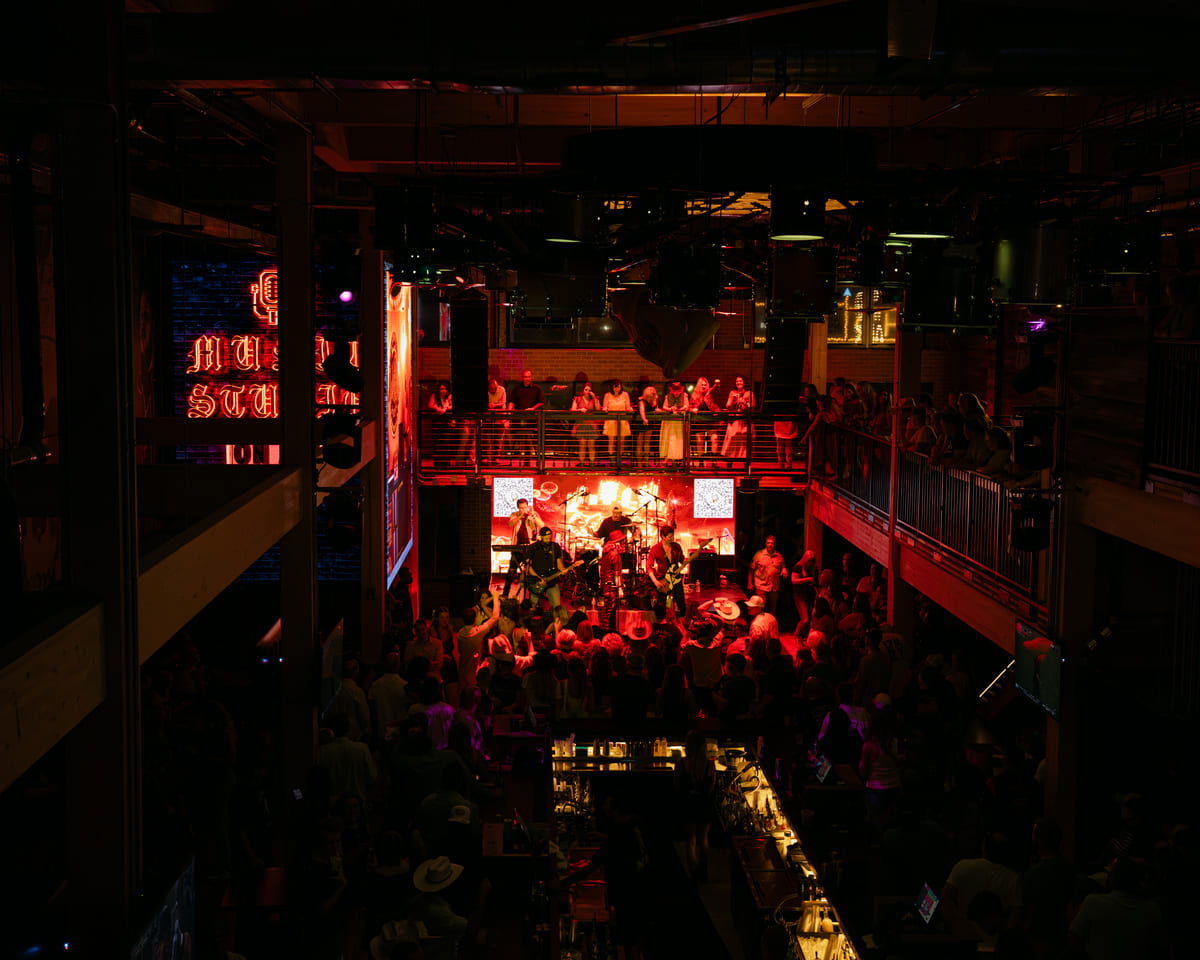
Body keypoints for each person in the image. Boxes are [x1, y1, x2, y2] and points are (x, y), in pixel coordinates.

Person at [674, 729, 716, 881]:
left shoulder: (681, 764)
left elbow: (677, 787)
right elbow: (711, 789)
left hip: (687, 805)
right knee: (703, 839)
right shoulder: (709, 765)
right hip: (704, 805)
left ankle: (692, 873)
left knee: (690, 839)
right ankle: (704, 871)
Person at [456, 589, 500, 694]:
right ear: (475, 619)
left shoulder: (460, 633)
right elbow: (495, 617)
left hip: (461, 671)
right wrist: (495, 597)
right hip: (472, 674)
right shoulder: (477, 632)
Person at [591, 504, 633, 601]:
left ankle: (606, 590)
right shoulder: (606, 522)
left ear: (621, 514)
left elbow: (634, 531)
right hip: (611, 550)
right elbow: (599, 534)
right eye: (614, 513)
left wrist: (635, 535)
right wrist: (593, 533)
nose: (616, 515)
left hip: (618, 550)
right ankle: (617, 590)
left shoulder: (626, 521)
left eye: (618, 514)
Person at [523, 527, 570, 609]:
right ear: (541, 537)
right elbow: (528, 566)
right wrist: (537, 578)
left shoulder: (555, 547)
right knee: (531, 607)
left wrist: (562, 569)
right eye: (546, 538)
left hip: (551, 580)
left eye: (549, 537)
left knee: (556, 606)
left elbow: (558, 561)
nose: (548, 540)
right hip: (536, 581)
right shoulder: (533, 548)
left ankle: (555, 620)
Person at [503, 498, 541, 596]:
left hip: (529, 547)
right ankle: (505, 593)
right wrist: (519, 516)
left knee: (532, 570)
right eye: (521, 508)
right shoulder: (514, 515)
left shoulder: (533, 514)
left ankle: (534, 593)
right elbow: (510, 523)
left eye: (525, 507)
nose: (523, 509)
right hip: (517, 546)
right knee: (511, 571)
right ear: (518, 508)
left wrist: (533, 517)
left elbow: (542, 525)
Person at [647, 524, 687, 613]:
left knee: (681, 604)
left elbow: (682, 560)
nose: (672, 538)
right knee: (661, 605)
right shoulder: (655, 549)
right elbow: (649, 566)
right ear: (662, 537)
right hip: (662, 579)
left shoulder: (676, 546)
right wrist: (655, 581)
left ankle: (681, 622)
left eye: (672, 536)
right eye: (669, 537)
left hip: (676, 578)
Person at [508, 368, 543, 467]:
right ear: (522, 378)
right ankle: (521, 461)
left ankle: (530, 461)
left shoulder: (536, 388)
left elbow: (541, 402)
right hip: (519, 419)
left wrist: (533, 408)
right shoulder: (517, 388)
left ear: (531, 377)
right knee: (520, 439)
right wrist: (508, 412)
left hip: (532, 419)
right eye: (525, 377)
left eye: (529, 377)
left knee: (529, 439)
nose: (527, 379)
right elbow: (511, 401)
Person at [749, 535, 786, 614]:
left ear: (774, 544)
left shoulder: (778, 555)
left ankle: (769, 624)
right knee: (760, 609)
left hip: (773, 587)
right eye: (768, 543)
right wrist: (749, 583)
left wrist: (784, 569)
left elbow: (783, 565)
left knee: (771, 610)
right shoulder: (759, 554)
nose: (770, 545)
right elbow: (751, 569)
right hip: (761, 586)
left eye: (772, 543)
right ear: (765, 544)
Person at [721, 375, 754, 463]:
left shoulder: (749, 393)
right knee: (731, 441)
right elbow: (727, 406)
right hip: (734, 421)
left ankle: (745, 464)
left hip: (744, 422)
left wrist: (746, 403)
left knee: (744, 443)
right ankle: (729, 462)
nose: (738, 383)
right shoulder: (732, 393)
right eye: (737, 381)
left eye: (740, 381)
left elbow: (752, 407)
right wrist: (733, 400)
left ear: (744, 382)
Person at [690, 376, 722, 465]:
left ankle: (714, 462)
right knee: (700, 442)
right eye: (702, 385)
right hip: (699, 421)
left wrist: (716, 385)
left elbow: (716, 392)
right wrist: (692, 410)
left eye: (705, 385)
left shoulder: (710, 393)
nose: (703, 386)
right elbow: (690, 407)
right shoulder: (694, 395)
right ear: (698, 385)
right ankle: (701, 462)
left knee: (714, 439)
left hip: (710, 420)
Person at [602, 379, 633, 467]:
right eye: (615, 387)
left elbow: (627, 406)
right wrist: (605, 409)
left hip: (622, 421)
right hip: (611, 421)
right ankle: (612, 461)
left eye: (618, 387)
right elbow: (604, 407)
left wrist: (629, 409)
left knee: (621, 442)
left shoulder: (625, 395)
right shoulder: (607, 395)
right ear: (612, 387)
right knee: (611, 441)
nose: (616, 389)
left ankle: (619, 460)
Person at [659, 379, 688, 467]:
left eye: (678, 390)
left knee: (678, 440)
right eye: (674, 390)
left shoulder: (684, 396)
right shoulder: (668, 397)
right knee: (670, 440)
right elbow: (664, 406)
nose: (676, 392)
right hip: (670, 422)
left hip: (679, 423)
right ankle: (668, 459)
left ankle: (677, 459)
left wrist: (679, 409)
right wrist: (671, 409)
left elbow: (686, 406)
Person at [570, 381, 600, 466]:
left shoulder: (595, 399)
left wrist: (594, 398)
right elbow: (572, 410)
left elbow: (598, 409)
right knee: (582, 445)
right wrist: (580, 410)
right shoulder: (578, 399)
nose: (587, 392)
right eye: (586, 390)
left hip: (591, 424)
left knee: (591, 445)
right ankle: (582, 464)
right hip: (581, 424)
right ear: (583, 390)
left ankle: (592, 464)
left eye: (589, 390)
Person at [790, 549, 819, 633]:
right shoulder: (798, 567)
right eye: (809, 560)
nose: (810, 562)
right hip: (799, 595)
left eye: (812, 560)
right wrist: (807, 579)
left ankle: (803, 636)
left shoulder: (812, 567)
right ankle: (796, 635)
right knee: (805, 619)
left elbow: (815, 581)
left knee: (810, 618)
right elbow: (793, 580)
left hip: (809, 594)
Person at [428, 381, 454, 468]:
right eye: (442, 389)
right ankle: (437, 465)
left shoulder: (449, 397)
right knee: (437, 443)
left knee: (446, 443)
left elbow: (452, 406)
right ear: (438, 390)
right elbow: (430, 405)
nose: (444, 391)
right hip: (437, 422)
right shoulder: (434, 396)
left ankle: (446, 465)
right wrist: (437, 408)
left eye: (445, 389)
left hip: (446, 423)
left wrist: (446, 408)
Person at [483, 375, 508, 465]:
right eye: (492, 391)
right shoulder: (485, 390)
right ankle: (487, 457)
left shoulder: (502, 390)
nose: (494, 392)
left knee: (498, 440)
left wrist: (494, 405)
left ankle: (496, 458)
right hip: (488, 418)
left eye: (495, 390)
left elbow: (503, 403)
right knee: (487, 439)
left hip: (500, 418)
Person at [634, 384, 658, 468]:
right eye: (649, 396)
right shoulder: (642, 401)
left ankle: (646, 462)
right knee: (640, 444)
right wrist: (644, 419)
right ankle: (640, 464)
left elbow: (656, 409)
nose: (650, 397)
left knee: (647, 443)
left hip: (649, 424)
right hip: (641, 423)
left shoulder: (653, 402)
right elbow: (642, 411)